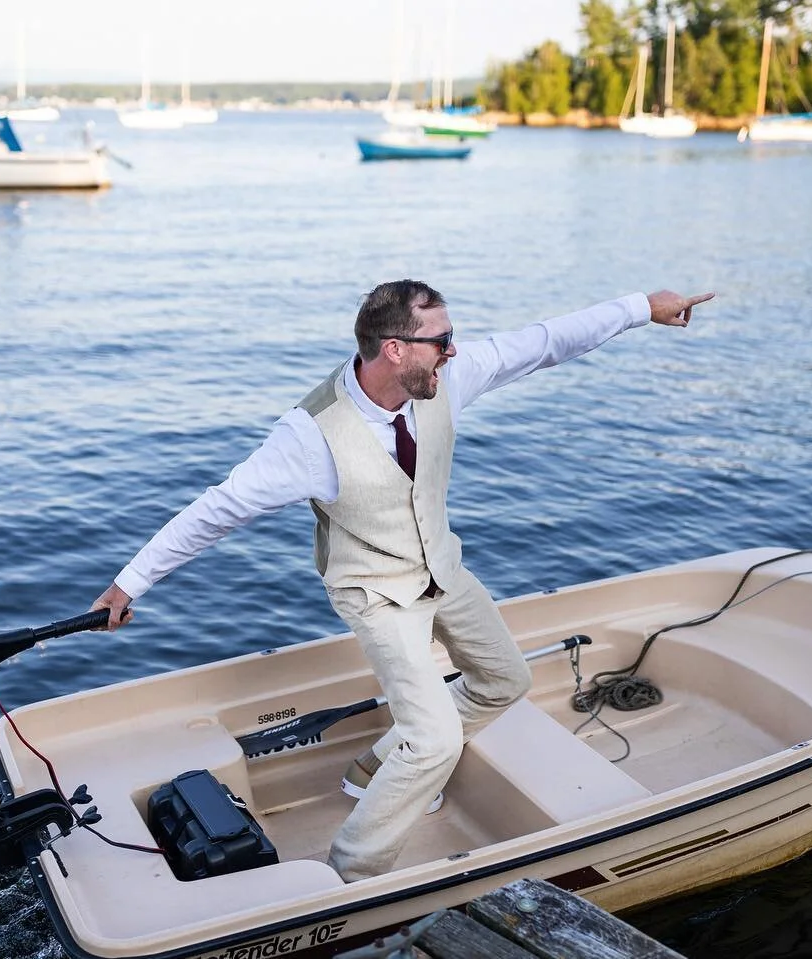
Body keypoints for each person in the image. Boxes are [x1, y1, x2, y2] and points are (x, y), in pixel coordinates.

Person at [90, 280, 715, 882]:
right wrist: (129, 584)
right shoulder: (308, 438)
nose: (454, 350)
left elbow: (547, 340)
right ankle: (351, 876)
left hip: (442, 567)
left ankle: (371, 768)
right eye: (441, 338)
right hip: (375, 591)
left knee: (505, 680)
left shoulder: (445, 377)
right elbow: (217, 510)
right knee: (435, 741)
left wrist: (642, 308)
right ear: (396, 349)